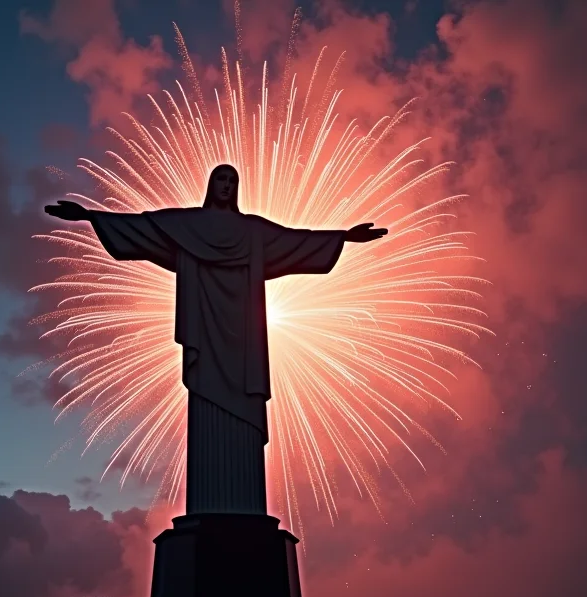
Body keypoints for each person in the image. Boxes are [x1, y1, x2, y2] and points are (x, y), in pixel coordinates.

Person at [45, 164, 387, 516]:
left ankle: (243, 502)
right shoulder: (187, 225)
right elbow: (144, 226)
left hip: (245, 339)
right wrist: (90, 216)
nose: (226, 185)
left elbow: (295, 240)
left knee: (243, 410)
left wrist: (343, 237)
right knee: (207, 401)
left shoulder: (253, 231)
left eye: (232, 180)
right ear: (211, 184)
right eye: (221, 179)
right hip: (204, 330)